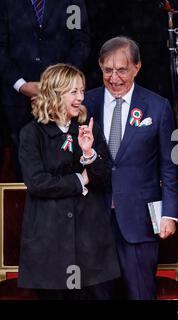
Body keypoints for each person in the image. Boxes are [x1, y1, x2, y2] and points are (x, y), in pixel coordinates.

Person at [83, 36, 178, 300]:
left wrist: (170, 214)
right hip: (95, 220)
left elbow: (169, 166)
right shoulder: (84, 104)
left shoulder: (158, 107)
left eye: (122, 70)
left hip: (139, 222)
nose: (114, 78)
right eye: (107, 70)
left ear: (137, 67)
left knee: (140, 294)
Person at [18, 64, 120, 299]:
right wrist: (79, 179)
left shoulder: (88, 129)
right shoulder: (31, 134)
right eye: (73, 92)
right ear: (55, 93)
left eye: (82, 91)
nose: (80, 98)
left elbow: (104, 177)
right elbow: (37, 182)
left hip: (92, 245)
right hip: (50, 245)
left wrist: (88, 154)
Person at [0, 0, 90, 181]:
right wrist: (22, 85)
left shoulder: (72, 3)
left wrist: (57, 85)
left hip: (61, 100)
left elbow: (81, 43)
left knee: (61, 163)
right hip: (15, 101)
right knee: (20, 167)